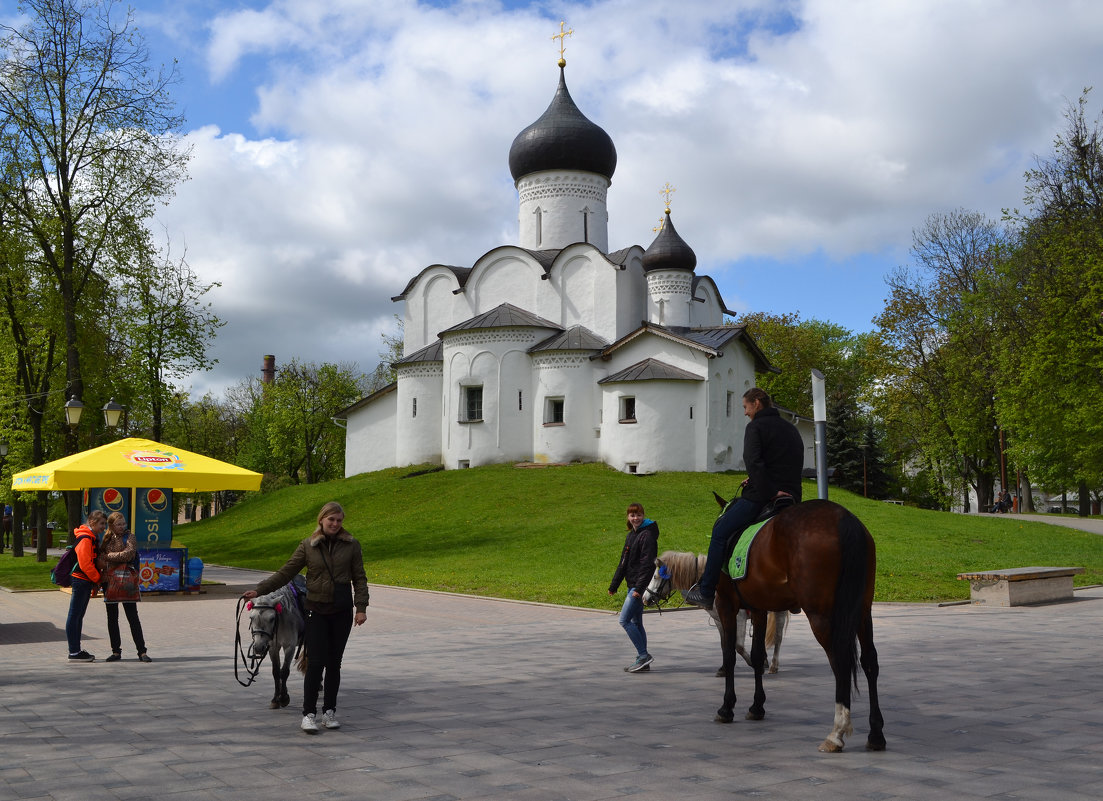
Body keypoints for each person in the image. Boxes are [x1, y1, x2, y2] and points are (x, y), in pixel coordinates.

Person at [242, 501, 369, 733]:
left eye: (339, 520)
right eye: (331, 519)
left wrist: (361, 607)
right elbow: (286, 572)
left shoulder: (352, 545)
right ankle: (309, 714)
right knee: (316, 662)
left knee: (334, 664)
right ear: (321, 520)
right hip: (316, 609)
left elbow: (359, 578)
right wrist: (259, 590)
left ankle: (329, 712)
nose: (335, 524)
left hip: (341, 610)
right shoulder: (308, 546)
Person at [683, 387, 805, 611]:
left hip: (764, 497)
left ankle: (707, 591)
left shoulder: (755, 427)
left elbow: (754, 462)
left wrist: (769, 491)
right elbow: (791, 462)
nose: (745, 412)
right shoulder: (791, 429)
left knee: (720, 530)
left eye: (745, 407)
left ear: (757, 403)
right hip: (793, 496)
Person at [608, 502, 659, 673]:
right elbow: (623, 563)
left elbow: (648, 566)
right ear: (628, 518)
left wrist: (639, 589)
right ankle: (643, 660)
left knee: (624, 620)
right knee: (637, 622)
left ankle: (644, 655)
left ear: (643, 516)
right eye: (632, 515)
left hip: (639, 587)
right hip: (633, 584)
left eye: (638, 515)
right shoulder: (632, 535)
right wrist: (614, 585)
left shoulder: (647, 535)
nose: (635, 518)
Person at [98, 512, 152, 663]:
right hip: (109, 580)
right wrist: (111, 557)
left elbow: (128, 554)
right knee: (112, 617)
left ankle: (142, 651)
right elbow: (100, 557)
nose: (122, 527)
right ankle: (116, 651)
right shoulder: (106, 538)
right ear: (111, 525)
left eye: (124, 523)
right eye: (119, 524)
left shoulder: (130, 537)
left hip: (127, 580)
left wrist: (109, 557)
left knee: (132, 616)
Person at [66, 510, 106, 662]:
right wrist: (97, 579)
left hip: (85, 581)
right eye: (101, 523)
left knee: (78, 616)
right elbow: (85, 564)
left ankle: (76, 649)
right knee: (74, 615)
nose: (103, 527)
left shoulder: (91, 537)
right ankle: (74, 651)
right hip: (81, 580)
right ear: (92, 522)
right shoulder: (86, 539)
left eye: (104, 523)